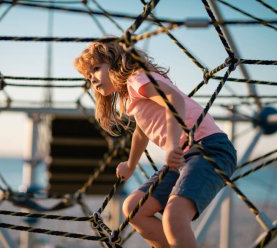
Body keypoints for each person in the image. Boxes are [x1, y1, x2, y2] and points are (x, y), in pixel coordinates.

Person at [73, 39, 237, 248]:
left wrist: (171, 145)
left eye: (96, 69)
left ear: (114, 62)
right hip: (185, 155)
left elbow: (174, 100)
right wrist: (131, 164)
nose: (93, 79)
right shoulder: (129, 95)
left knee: (174, 216)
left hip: (209, 148)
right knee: (134, 208)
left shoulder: (137, 79)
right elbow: (141, 132)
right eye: (88, 76)